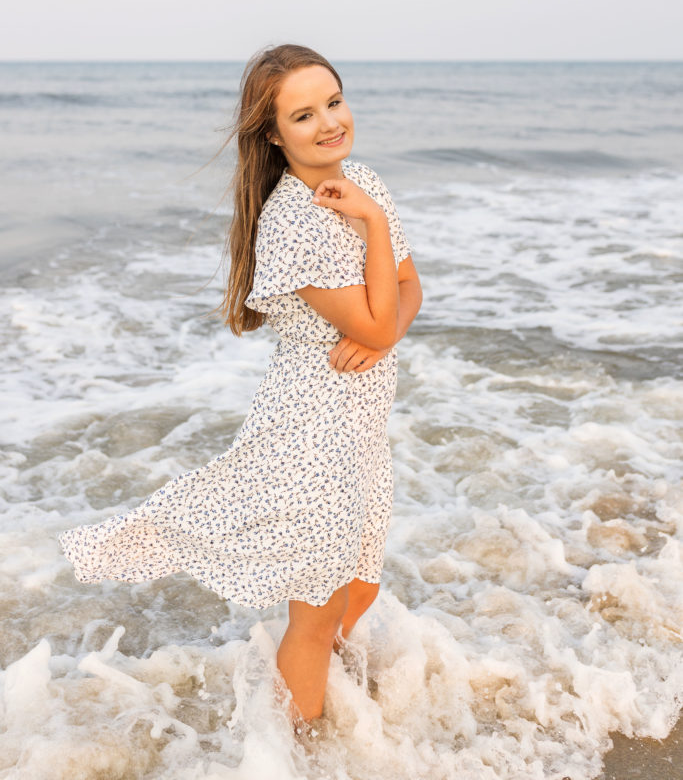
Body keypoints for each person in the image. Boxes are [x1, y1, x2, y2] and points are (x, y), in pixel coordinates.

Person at [59, 43, 422, 725]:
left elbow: (407, 289)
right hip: (311, 435)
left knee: (360, 590)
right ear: (273, 132)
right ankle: (296, 752)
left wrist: (383, 326)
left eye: (333, 102)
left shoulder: (365, 181)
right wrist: (372, 248)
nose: (327, 123)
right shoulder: (292, 221)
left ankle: (323, 709)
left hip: (362, 429)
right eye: (303, 114)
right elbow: (374, 326)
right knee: (316, 614)